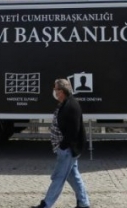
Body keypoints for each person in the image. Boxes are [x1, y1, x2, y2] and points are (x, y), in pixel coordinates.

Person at [31, 79, 90, 208]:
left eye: (56, 89)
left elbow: (73, 131)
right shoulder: (64, 103)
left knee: (58, 177)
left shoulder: (71, 106)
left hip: (67, 149)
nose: (55, 92)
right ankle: (84, 203)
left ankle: (46, 204)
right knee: (73, 176)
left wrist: (63, 146)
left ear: (62, 91)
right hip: (65, 148)